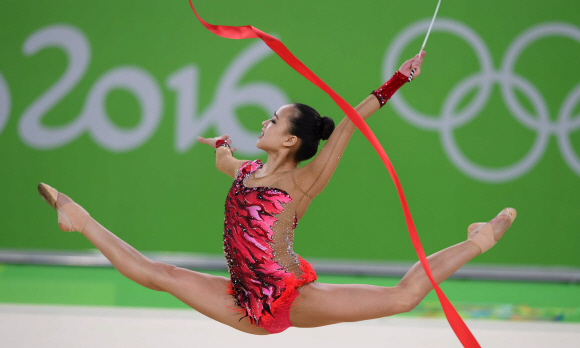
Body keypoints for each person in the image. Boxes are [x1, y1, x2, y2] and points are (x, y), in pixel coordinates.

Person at [38, 51, 516, 335]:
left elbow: (348, 123)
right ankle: (76, 216)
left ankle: (480, 239)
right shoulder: (247, 172)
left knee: (402, 297)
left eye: (273, 119)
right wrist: (221, 145)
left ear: (290, 140)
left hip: (289, 298)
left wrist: (397, 80)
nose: (264, 121)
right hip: (241, 298)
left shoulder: (301, 183)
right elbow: (227, 161)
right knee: (158, 273)